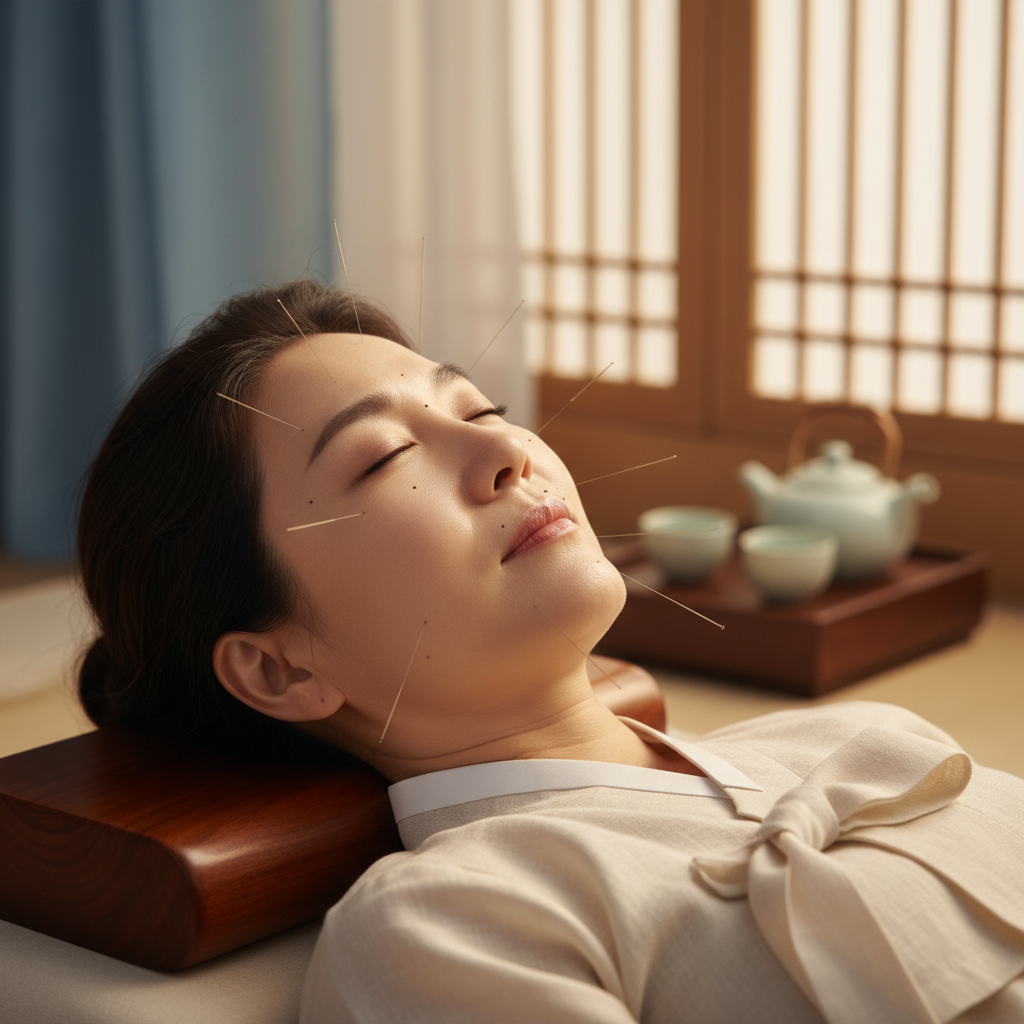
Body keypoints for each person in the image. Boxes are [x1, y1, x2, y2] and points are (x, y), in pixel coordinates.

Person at [77, 280, 1024, 1024]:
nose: (508, 455)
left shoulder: (846, 739)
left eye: (482, 410)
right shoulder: (451, 921)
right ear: (281, 669)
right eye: (381, 457)